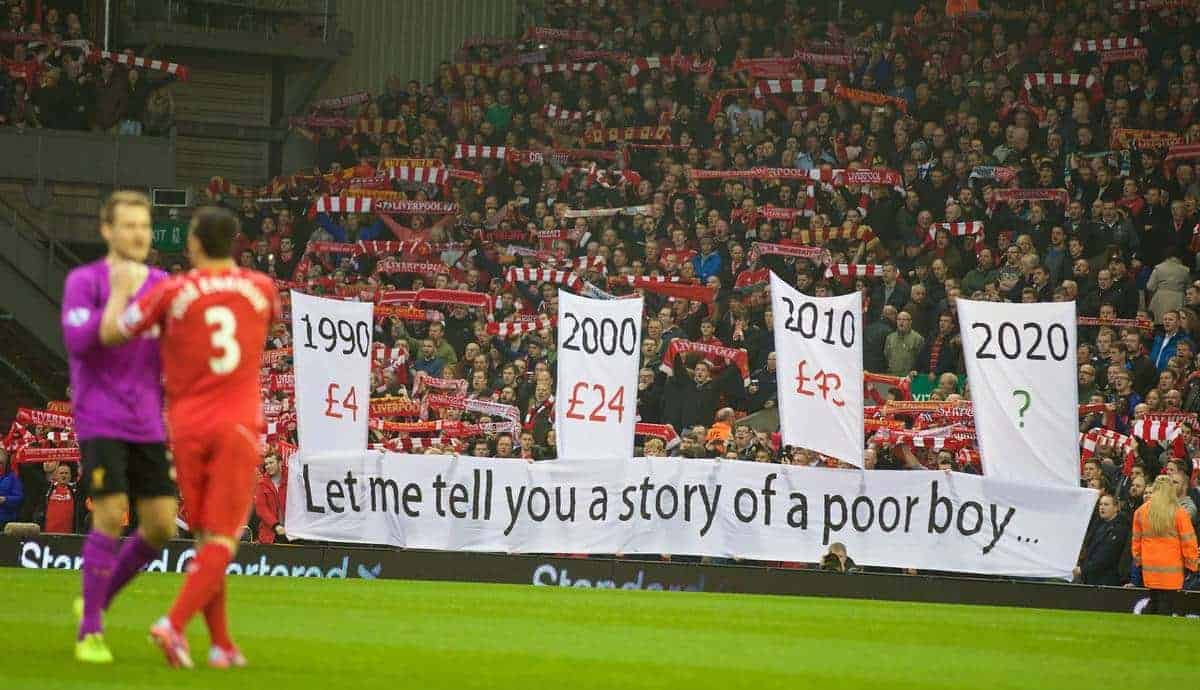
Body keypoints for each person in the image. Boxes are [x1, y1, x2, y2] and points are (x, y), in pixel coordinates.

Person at [100, 205, 279, 669]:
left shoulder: (171, 291)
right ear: (235, 242)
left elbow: (117, 333)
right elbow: (263, 327)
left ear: (194, 243)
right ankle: (173, 623)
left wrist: (120, 292)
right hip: (236, 421)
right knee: (223, 539)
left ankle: (221, 645)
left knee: (204, 537)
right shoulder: (261, 288)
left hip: (185, 424)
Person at [61, 191, 178, 664]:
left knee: (162, 527)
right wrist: (125, 293)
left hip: (148, 421)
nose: (137, 234)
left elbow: (176, 348)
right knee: (110, 515)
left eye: (143, 226)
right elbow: (91, 339)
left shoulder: (163, 284)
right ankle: (90, 631)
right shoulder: (84, 282)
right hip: (101, 417)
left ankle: (97, 600)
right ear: (107, 230)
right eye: (128, 225)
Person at [1131, 475, 1200, 614]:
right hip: (1172, 570)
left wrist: (1139, 561)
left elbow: (1136, 542)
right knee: (1166, 604)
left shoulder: (1141, 512)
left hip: (1150, 568)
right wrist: (1192, 564)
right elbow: (1189, 542)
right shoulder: (1179, 513)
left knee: (1154, 600)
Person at [1074, 495, 1129, 586]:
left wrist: (1083, 569)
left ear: (1116, 508)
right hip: (1092, 578)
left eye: (1106, 504)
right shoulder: (1099, 525)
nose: (1102, 507)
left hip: (1107, 581)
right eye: (1100, 504)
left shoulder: (1120, 529)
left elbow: (1106, 556)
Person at [253, 454, 287, 544]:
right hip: (271, 535)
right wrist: (276, 525)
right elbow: (261, 509)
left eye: (271, 463)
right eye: (266, 464)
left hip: (292, 533)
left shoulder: (291, 480)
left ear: (280, 463)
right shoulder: (262, 484)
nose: (268, 466)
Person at [0, 449, 23, 530]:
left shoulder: (13, 478)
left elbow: (19, 498)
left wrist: (5, 499)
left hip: (6, 520)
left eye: (1, 463)